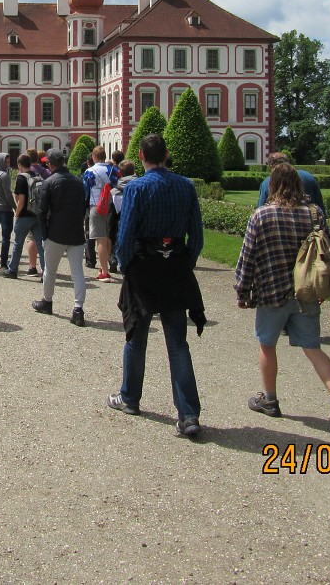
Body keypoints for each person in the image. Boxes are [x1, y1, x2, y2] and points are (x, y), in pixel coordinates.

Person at [234, 163, 330, 437]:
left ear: (272, 186)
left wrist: (242, 291)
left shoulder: (261, 215)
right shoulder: (314, 214)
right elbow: (326, 252)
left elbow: (247, 257)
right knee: (313, 348)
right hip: (306, 291)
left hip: (272, 291)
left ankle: (270, 399)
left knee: (267, 345)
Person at [108, 134, 206, 438]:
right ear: (166, 154)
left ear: (140, 155)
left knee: (136, 337)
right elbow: (197, 235)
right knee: (178, 344)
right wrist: (183, 262)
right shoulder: (185, 185)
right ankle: (188, 415)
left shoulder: (136, 187)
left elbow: (125, 234)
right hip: (174, 265)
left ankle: (130, 398)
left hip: (144, 267)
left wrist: (125, 265)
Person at [32, 148, 89, 326]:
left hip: (55, 232)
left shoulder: (49, 182)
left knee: (50, 269)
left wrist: (45, 234)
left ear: (51, 164)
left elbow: (41, 211)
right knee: (77, 272)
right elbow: (84, 206)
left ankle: (47, 302)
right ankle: (78, 309)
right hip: (76, 232)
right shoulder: (78, 181)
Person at [4, 153, 45, 280]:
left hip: (24, 215)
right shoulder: (37, 177)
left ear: (20, 164)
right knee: (41, 244)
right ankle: (46, 272)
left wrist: (17, 213)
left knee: (18, 243)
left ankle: (12, 270)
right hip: (36, 215)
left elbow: (20, 198)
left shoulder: (21, 178)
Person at [82, 145, 120, 281]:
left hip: (96, 206)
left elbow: (85, 191)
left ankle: (104, 271)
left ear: (94, 156)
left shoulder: (89, 171)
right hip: (111, 205)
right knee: (108, 237)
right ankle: (106, 264)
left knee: (100, 239)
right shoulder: (114, 170)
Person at [257, 151, 325, 216]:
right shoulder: (308, 177)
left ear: (271, 166)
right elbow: (319, 205)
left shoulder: (267, 182)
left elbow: (260, 208)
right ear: (288, 162)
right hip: (307, 220)